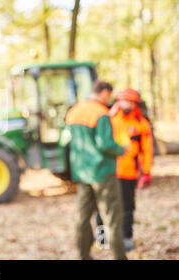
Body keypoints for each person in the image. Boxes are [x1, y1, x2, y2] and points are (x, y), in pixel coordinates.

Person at [63, 80, 127, 260]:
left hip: (82, 173)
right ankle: (120, 257)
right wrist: (122, 149)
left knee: (83, 217)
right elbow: (105, 144)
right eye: (110, 95)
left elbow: (66, 140)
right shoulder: (101, 113)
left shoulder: (74, 111)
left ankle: (84, 256)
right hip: (102, 172)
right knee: (112, 218)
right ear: (104, 92)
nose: (110, 99)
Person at [96, 88, 153, 251]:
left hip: (129, 172)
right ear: (118, 101)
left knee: (127, 206)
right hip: (109, 171)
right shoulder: (109, 119)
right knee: (104, 204)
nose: (126, 104)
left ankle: (126, 237)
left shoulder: (141, 123)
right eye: (123, 100)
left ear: (135, 103)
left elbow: (146, 151)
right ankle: (102, 235)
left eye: (130, 101)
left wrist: (146, 172)